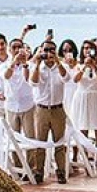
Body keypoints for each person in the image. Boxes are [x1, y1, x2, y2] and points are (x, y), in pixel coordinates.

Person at [31, 40, 69, 184]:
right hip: (42, 109)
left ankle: (61, 171)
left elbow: (67, 78)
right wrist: (37, 64)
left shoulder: (61, 66)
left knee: (59, 143)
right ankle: (38, 171)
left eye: (52, 49)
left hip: (57, 109)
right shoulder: (39, 67)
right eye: (46, 50)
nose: (49, 53)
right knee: (40, 143)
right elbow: (33, 82)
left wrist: (58, 61)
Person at [3, 37, 39, 182]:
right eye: (14, 48)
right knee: (14, 138)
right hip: (11, 106)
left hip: (27, 105)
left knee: (30, 137)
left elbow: (28, 79)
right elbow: (6, 75)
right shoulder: (5, 65)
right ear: (10, 50)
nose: (17, 50)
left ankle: (31, 168)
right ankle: (18, 168)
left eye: (20, 47)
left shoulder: (29, 64)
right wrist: (14, 62)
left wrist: (24, 64)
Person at [72, 40, 97, 174]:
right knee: (83, 131)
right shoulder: (78, 65)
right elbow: (75, 79)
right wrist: (84, 67)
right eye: (85, 48)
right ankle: (84, 159)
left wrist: (94, 67)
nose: (87, 50)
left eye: (90, 48)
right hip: (82, 98)